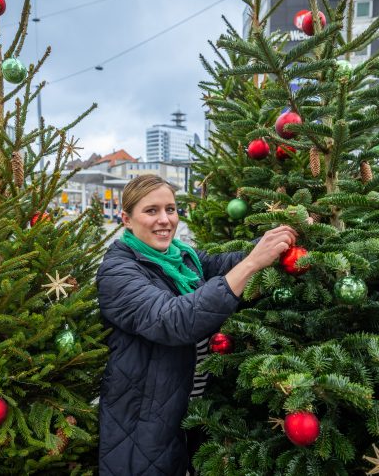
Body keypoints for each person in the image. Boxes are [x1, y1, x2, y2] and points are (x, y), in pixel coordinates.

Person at [96, 175, 297, 476]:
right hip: (145, 424)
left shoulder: (181, 258)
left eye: (171, 209)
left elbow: (226, 263)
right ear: (126, 219)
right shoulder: (117, 271)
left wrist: (279, 238)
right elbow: (174, 320)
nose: (165, 220)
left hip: (192, 412)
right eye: (151, 211)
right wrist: (252, 264)